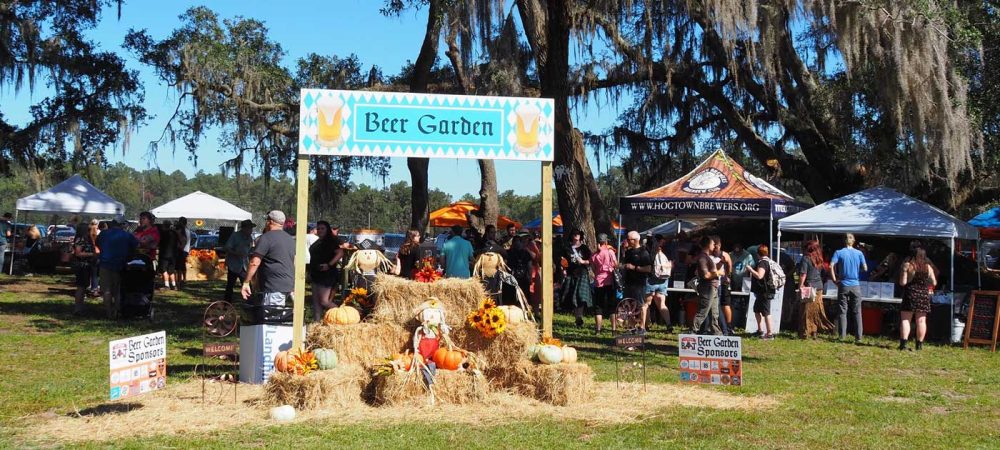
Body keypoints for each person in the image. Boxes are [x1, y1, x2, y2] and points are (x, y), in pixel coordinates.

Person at [243, 211, 296, 306]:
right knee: (276, 315)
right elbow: (294, 261)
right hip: (288, 284)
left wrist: (246, 282)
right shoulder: (290, 239)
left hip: (274, 286)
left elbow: (254, 262)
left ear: (270, 221)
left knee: (271, 317)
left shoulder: (266, 238)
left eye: (266, 220)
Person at [95, 217, 138, 319]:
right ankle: (117, 311)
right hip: (120, 265)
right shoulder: (127, 235)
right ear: (122, 225)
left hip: (105, 264)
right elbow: (136, 246)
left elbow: (98, 244)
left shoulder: (103, 234)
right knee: (118, 290)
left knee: (106, 290)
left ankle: (108, 312)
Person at [830, 233, 868, 343]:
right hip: (855, 285)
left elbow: (831, 265)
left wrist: (834, 280)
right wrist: (857, 270)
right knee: (857, 311)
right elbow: (865, 268)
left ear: (844, 240)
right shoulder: (859, 253)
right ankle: (859, 337)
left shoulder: (839, 252)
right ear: (854, 241)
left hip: (843, 284)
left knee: (842, 311)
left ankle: (842, 336)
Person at [898, 246, 936, 351]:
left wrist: (905, 272)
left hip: (910, 294)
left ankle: (903, 344)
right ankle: (919, 345)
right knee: (921, 321)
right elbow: (934, 282)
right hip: (923, 295)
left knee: (906, 320)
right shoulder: (928, 267)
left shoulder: (908, 265)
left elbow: (903, 283)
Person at [796, 240, 834, 339]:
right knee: (816, 310)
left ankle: (806, 332)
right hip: (819, 287)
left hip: (809, 287)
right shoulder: (819, 259)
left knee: (806, 310)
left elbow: (803, 274)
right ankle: (815, 331)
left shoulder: (806, 258)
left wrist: (800, 285)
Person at [309, 221, 342, 320]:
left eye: (322, 228)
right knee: (316, 303)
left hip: (327, 275)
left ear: (327, 229)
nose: (320, 230)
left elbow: (340, 253)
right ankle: (316, 325)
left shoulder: (331, 241)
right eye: (318, 228)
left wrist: (329, 265)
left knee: (324, 301)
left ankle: (343, 315)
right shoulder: (317, 242)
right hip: (315, 273)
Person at [560, 230, 593, 328]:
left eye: (578, 234)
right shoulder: (567, 248)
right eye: (574, 234)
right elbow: (562, 261)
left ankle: (579, 317)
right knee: (572, 296)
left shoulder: (584, 248)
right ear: (571, 236)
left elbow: (591, 261)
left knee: (581, 296)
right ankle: (577, 318)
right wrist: (563, 269)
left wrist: (583, 261)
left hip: (582, 274)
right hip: (571, 274)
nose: (576, 236)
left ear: (581, 236)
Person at [620, 231, 652, 331]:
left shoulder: (644, 252)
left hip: (639, 283)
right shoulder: (628, 252)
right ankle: (631, 326)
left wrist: (634, 267)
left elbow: (648, 268)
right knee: (628, 305)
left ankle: (642, 327)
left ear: (636, 240)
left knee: (641, 305)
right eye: (627, 239)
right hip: (628, 282)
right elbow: (625, 265)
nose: (628, 241)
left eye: (630, 239)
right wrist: (620, 266)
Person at [691, 236, 723, 336]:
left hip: (713, 287)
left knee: (714, 313)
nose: (715, 245)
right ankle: (692, 331)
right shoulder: (702, 258)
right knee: (703, 311)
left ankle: (717, 334)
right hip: (708, 287)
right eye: (713, 244)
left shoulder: (707, 257)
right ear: (708, 245)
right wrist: (718, 272)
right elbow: (705, 275)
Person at [747, 245, 777, 339]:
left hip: (765, 291)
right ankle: (760, 330)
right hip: (762, 292)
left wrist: (751, 270)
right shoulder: (768, 261)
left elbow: (760, 276)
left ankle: (769, 333)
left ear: (757, 254)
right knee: (756, 310)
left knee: (766, 312)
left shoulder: (762, 263)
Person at [590, 233, 618, 334]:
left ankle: (598, 330)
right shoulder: (610, 252)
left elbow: (593, 269)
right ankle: (613, 330)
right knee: (612, 306)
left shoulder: (594, 255)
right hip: (609, 280)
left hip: (598, 281)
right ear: (606, 241)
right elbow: (615, 264)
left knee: (598, 306)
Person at [644, 238, 672, 333]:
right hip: (663, 280)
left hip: (651, 280)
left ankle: (646, 325)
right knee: (662, 304)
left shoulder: (649, 254)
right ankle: (669, 325)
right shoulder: (666, 254)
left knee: (647, 303)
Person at [223, 220, 255, 302]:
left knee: (247, 284)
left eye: (251, 228)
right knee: (230, 285)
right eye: (249, 228)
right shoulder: (235, 236)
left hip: (244, 266)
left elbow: (250, 248)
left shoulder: (250, 238)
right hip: (234, 265)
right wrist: (236, 253)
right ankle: (227, 304)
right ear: (244, 228)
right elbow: (227, 247)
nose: (251, 230)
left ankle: (249, 303)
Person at [72, 221, 99, 314]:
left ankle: (81, 307)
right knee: (81, 287)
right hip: (82, 265)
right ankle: (77, 308)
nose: (89, 231)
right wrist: (92, 254)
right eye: (88, 229)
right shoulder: (80, 239)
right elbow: (78, 253)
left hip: (88, 265)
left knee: (84, 287)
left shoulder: (87, 238)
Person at [711, 236, 734, 334]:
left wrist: (727, 276)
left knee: (725, 305)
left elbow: (729, 265)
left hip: (722, 283)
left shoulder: (724, 254)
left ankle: (728, 327)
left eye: (716, 246)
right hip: (715, 282)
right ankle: (720, 327)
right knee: (716, 306)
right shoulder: (710, 254)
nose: (715, 248)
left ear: (719, 245)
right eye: (714, 246)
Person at [157, 220, 179, 290]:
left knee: (164, 270)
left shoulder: (163, 233)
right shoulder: (175, 233)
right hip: (173, 254)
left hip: (164, 254)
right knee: (171, 270)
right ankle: (174, 285)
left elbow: (159, 243)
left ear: (164, 225)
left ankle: (166, 285)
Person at [175, 217, 190, 289]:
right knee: (182, 265)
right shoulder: (187, 230)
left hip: (183, 250)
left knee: (180, 266)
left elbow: (184, 241)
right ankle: (183, 279)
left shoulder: (184, 231)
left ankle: (181, 280)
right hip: (185, 249)